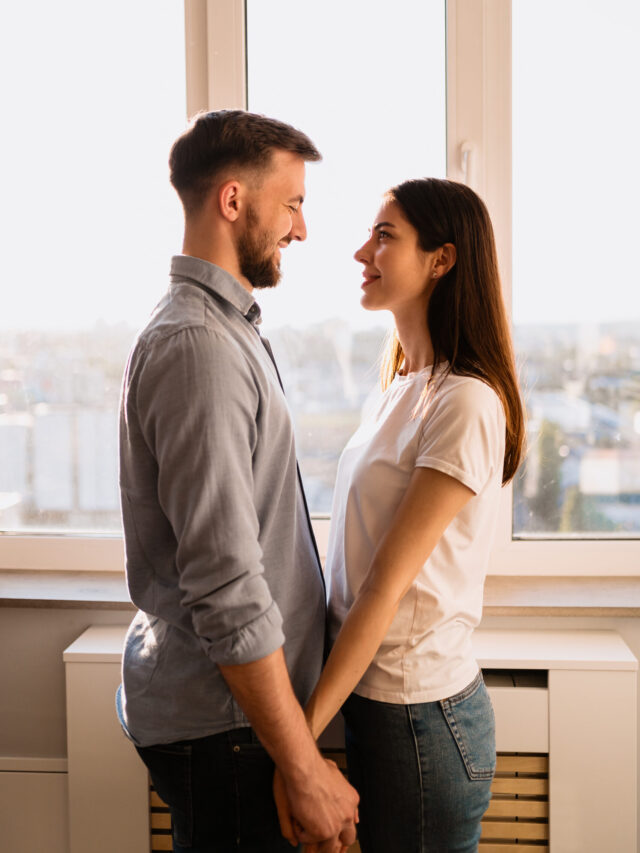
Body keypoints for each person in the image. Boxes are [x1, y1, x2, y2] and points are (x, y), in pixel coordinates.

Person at [117, 110, 358, 853]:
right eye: (292, 203)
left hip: (237, 721)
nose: (302, 229)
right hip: (229, 729)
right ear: (232, 201)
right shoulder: (199, 347)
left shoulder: (224, 329)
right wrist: (303, 765)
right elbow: (225, 582)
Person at [275, 177, 525, 852]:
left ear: (442, 259)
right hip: (383, 708)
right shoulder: (400, 390)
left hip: (422, 718)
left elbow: (384, 586)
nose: (362, 252)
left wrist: (296, 744)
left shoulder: (465, 403)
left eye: (385, 236)